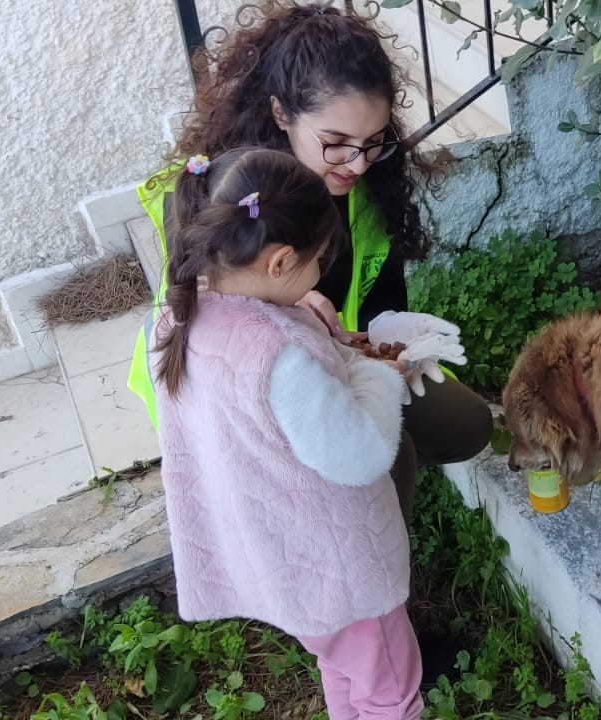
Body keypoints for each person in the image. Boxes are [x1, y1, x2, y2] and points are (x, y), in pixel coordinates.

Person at [126, 1, 493, 525]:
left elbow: (379, 301)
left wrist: (377, 346)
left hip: (328, 356)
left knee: (465, 426)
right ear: (281, 114)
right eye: (336, 143)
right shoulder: (222, 194)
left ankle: (348, 505)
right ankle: (359, 566)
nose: (358, 164)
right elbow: (209, 327)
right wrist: (291, 311)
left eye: (373, 143)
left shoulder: (370, 189)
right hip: (237, 388)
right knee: (385, 463)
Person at [151, 147, 461, 720]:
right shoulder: (281, 356)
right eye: (318, 260)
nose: (321, 274)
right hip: (340, 573)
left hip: (284, 566)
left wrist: (323, 334)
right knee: (390, 692)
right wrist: (376, 376)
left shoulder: (183, 316)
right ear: (279, 262)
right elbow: (359, 453)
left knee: (341, 667)